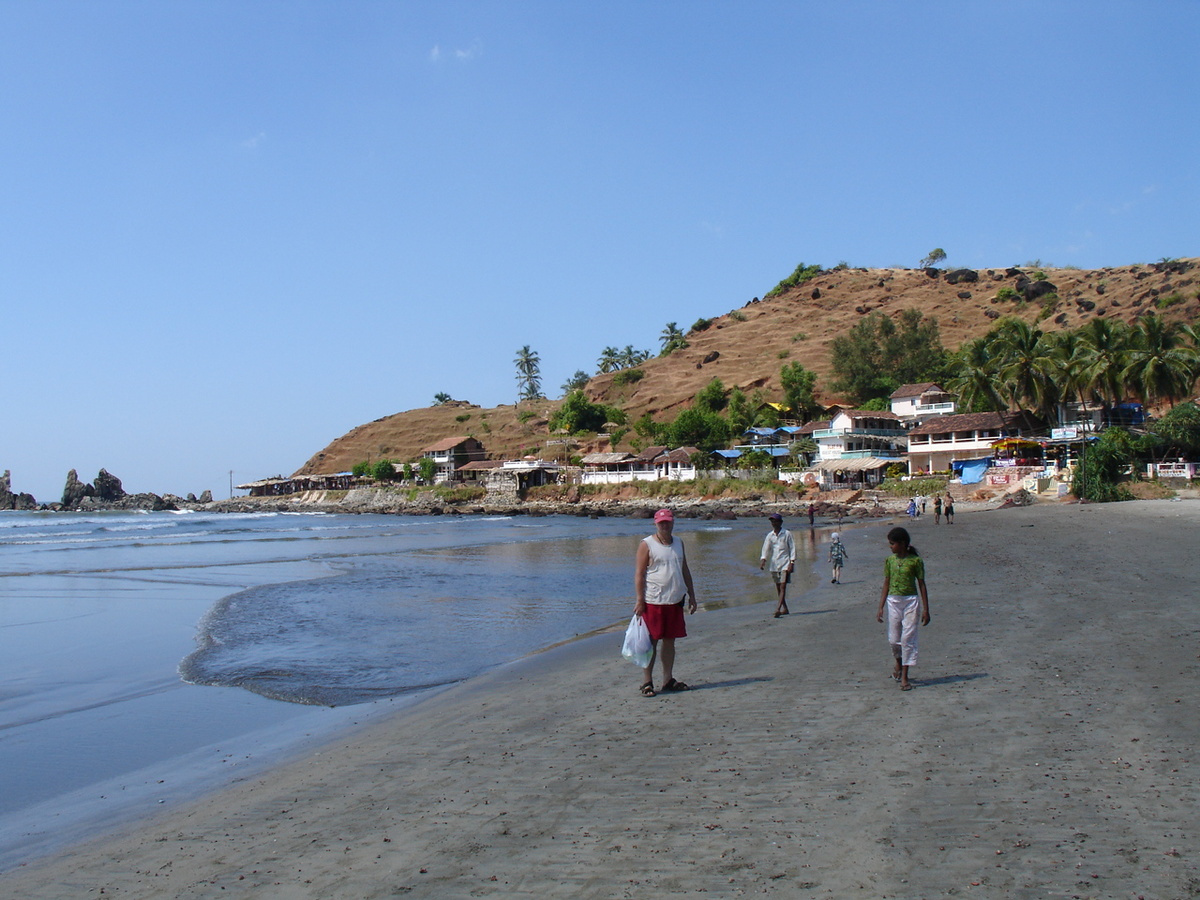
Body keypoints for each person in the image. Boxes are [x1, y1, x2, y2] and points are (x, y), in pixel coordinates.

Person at [634, 509, 698, 697]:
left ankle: (668, 679)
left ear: (672, 523)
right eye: (661, 522)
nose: (665, 525)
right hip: (653, 600)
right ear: (656, 524)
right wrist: (639, 600)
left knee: (670, 641)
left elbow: (684, 568)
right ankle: (647, 681)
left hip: (675, 599)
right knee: (650, 642)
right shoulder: (647, 544)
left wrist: (692, 595)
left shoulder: (679, 542)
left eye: (668, 522)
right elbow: (639, 574)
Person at [875, 526, 930, 691]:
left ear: (902, 543)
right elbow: (886, 583)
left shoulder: (915, 561)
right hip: (893, 601)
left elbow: (921, 584)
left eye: (892, 543)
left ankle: (905, 676)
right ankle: (898, 663)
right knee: (894, 639)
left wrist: (926, 609)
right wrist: (880, 606)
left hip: (911, 601)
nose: (890, 546)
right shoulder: (889, 561)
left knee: (908, 639)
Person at [759, 513, 796, 618]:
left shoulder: (787, 534)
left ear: (780, 522)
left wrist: (792, 562)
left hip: (785, 563)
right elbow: (766, 548)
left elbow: (792, 548)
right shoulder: (770, 535)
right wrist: (763, 560)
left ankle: (778, 609)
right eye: (772, 521)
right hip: (774, 564)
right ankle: (785, 608)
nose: (773, 523)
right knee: (778, 588)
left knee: (783, 586)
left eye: (775, 521)